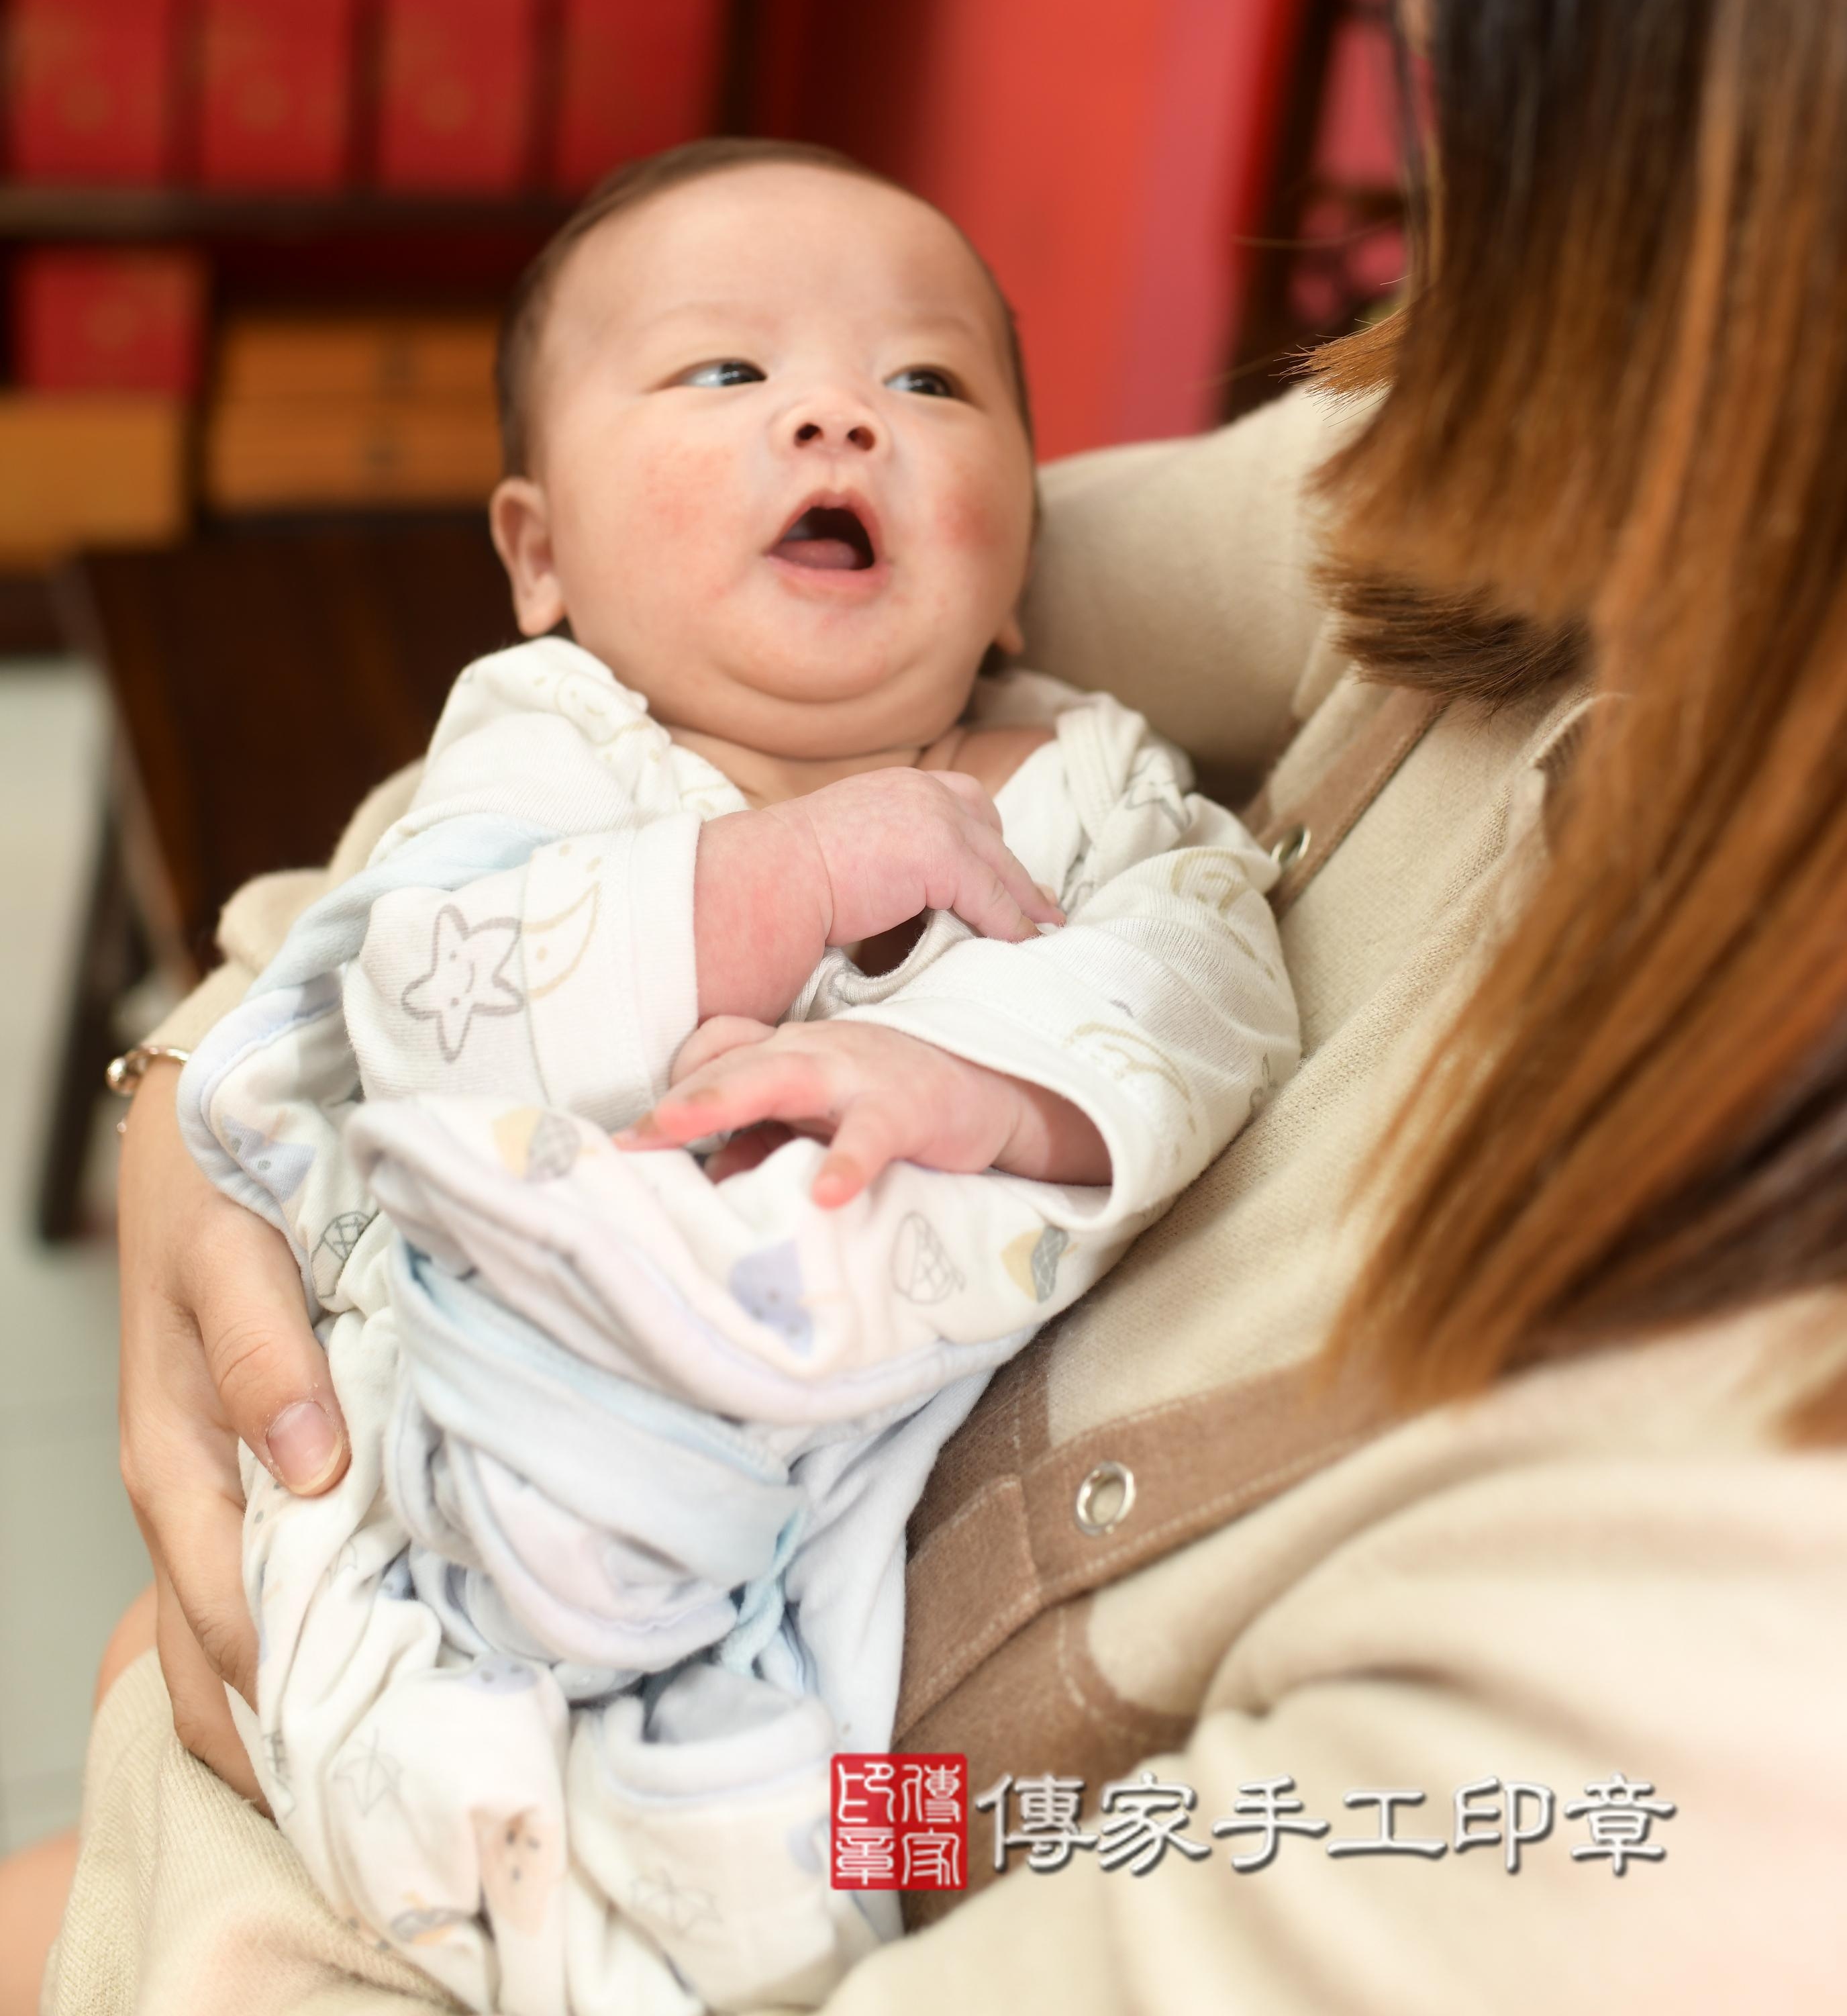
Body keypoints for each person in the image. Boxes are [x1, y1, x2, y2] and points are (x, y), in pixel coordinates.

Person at [25, 0, 1847, 2003]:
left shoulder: (1704, 1705)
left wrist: (191, 1850)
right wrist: (235, 1056)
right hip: (472, 1450)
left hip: (728, 1737)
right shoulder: (1598, 455)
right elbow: (682, 682)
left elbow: (1154, 986)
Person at [168, 143, 1295, 2012]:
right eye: (725, 375)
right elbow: (412, 994)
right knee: (346, 1691)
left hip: (844, 1484)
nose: (842, 415)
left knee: (852, 1832)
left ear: (1023, 544)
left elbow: (1212, 987)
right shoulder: (546, 742)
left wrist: (973, 1088)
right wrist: (769, 885)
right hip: (477, 1418)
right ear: (540, 555)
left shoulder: (1086, 780)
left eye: (929, 383)